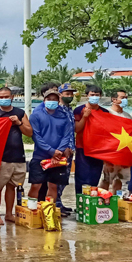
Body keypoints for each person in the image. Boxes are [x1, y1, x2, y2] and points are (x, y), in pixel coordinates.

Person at [0, 87, 32, 225]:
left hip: (18, 156)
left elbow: (29, 132)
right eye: (1, 97)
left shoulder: (20, 113)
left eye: (6, 96)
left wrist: (18, 123)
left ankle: (8, 214)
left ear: (12, 97)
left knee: (12, 186)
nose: (3, 99)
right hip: (1, 158)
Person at [28, 88, 73, 202]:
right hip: (40, 156)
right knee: (36, 185)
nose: (51, 101)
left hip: (59, 157)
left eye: (54, 99)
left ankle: (50, 209)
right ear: (44, 100)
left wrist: (59, 151)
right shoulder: (36, 116)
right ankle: (32, 209)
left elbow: (67, 135)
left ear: (58, 101)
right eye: (49, 99)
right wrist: (51, 151)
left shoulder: (64, 117)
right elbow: (36, 136)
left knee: (53, 186)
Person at [74, 85, 108, 195]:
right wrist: (85, 117)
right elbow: (76, 129)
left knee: (94, 178)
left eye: (97, 95)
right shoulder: (79, 110)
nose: (94, 97)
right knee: (81, 179)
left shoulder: (105, 112)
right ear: (87, 96)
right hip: (82, 148)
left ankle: (91, 202)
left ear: (100, 96)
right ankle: (80, 202)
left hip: (98, 150)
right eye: (92, 95)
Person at [100, 90, 132, 192]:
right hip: (110, 153)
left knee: (119, 180)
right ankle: (102, 199)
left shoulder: (127, 116)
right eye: (122, 98)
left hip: (123, 154)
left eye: (126, 98)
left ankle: (115, 199)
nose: (125, 100)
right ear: (114, 99)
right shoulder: (106, 114)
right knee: (106, 179)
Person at [56, 83, 77, 214]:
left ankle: (59, 202)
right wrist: (64, 147)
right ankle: (56, 204)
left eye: (71, 94)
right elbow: (59, 131)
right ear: (60, 95)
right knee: (58, 178)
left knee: (65, 178)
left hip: (71, 149)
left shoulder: (70, 110)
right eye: (67, 93)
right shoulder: (57, 110)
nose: (70, 96)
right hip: (61, 149)